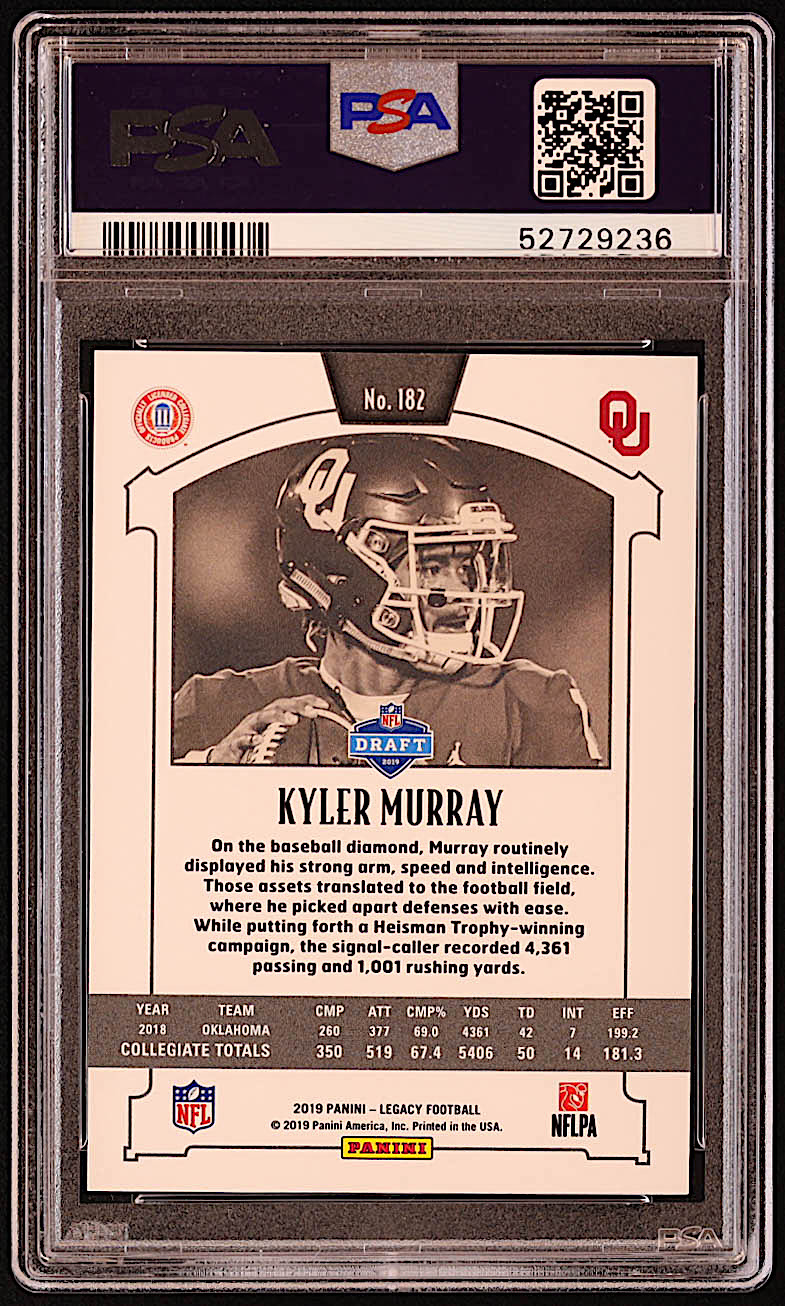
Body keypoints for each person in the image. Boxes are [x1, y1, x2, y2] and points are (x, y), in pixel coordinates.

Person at [173, 433, 601, 767]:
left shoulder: (530, 702)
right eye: (432, 566)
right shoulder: (215, 706)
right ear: (344, 575)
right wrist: (209, 767)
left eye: (467, 565)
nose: (463, 593)